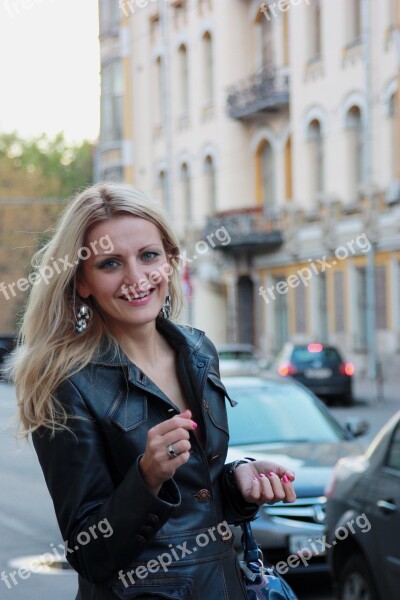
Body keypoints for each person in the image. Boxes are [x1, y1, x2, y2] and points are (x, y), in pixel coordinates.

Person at [11, 183, 296, 600]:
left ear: (171, 261)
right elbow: (89, 554)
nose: (136, 278)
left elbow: (199, 503)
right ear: (82, 282)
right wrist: (147, 476)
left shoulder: (198, 350)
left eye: (148, 256)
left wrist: (239, 480)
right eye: (110, 263)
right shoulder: (65, 382)